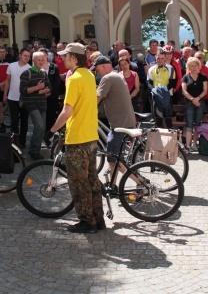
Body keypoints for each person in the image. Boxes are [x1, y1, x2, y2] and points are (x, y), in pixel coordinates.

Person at [49, 43, 104, 234]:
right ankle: (98, 218)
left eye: (65, 56)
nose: (63, 59)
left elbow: (66, 111)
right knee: (92, 179)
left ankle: (87, 221)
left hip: (77, 137)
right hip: (90, 135)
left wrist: (53, 129)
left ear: (74, 57)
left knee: (79, 183)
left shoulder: (74, 79)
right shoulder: (89, 75)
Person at [93, 55, 136, 173]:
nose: (97, 73)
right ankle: (112, 186)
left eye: (97, 70)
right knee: (114, 158)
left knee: (112, 158)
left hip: (119, 125)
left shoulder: (108, 78)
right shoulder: (117, 75)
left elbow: (96, 100)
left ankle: (140, 182)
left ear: (103, 66)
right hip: (126, 121)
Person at [20, 51, 51, 159]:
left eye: (43, 60)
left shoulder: (43, 73)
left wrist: (46, 90)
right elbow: (23, 90)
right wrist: (37, 88)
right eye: (39, 60)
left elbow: (49, 87)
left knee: (42, 128)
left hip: (42, 103)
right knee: (40, 126)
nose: (41, 62)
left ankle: (35, 150)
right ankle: (33, 150)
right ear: (33, 60)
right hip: (31, 103)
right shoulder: (26, 73)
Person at [4, 48, 31, 148]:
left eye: (29, 56)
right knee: (14, 121)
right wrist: (5, 94)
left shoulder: (30, 68)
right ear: (20, 55)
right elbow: (7, 80)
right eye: (25, 55)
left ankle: (22, 142)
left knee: (24, 121)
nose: (27, 58)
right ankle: (14, 142)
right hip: (12, 97)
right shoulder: (11, 65)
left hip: (24, 99)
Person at [181, 57, 208, 152]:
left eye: (195, 65)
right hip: (189, 103)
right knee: (189, 124)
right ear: (188, 67)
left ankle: (194, 144)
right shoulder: (185, 77)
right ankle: (187, 146)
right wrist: (192, 99)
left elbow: (205, 90)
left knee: (197, 124)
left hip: (200, 102)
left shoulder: (203, 77)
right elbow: (184, 90)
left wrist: (198, 99)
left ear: (199, 66)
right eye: (191, 66)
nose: (193, 68)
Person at [147, 48, 177, 128]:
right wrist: (155, 91)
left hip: (167, 95)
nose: (160, 60)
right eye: (158, 58)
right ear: (155, 57)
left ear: (165, 58)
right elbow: (149, 82)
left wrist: (163, 90)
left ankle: (170, 137)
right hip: (156, 96)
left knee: (168, 117)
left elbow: (172, 82)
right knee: (158, 117)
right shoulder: (151, 69)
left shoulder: (170, 68)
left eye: (162, 58)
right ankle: (158, 137)